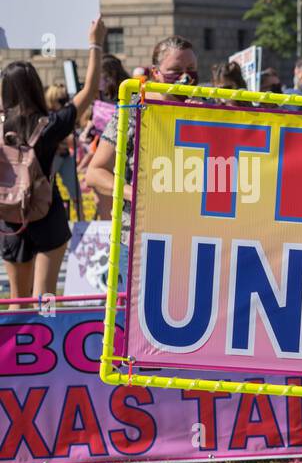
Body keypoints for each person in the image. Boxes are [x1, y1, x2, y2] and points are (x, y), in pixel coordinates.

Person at [1, 18, 105, 303]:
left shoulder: (1, 126)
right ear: (36, 87)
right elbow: (89, 91)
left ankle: (15, 348)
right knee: (44, 298)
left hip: (11, 218)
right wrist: (95, 42)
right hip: (47, 213)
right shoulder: (49, 125)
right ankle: (48, 345)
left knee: (16, 301)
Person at [86, 35, 199, 205]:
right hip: (141, 223)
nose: (185, 77)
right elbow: (95, 173)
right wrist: (137, 195)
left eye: (191, 68)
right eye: (175, 70)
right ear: (155, 72)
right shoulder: (134, 109)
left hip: (188, 219)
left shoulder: (205, 108)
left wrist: (205, 123)